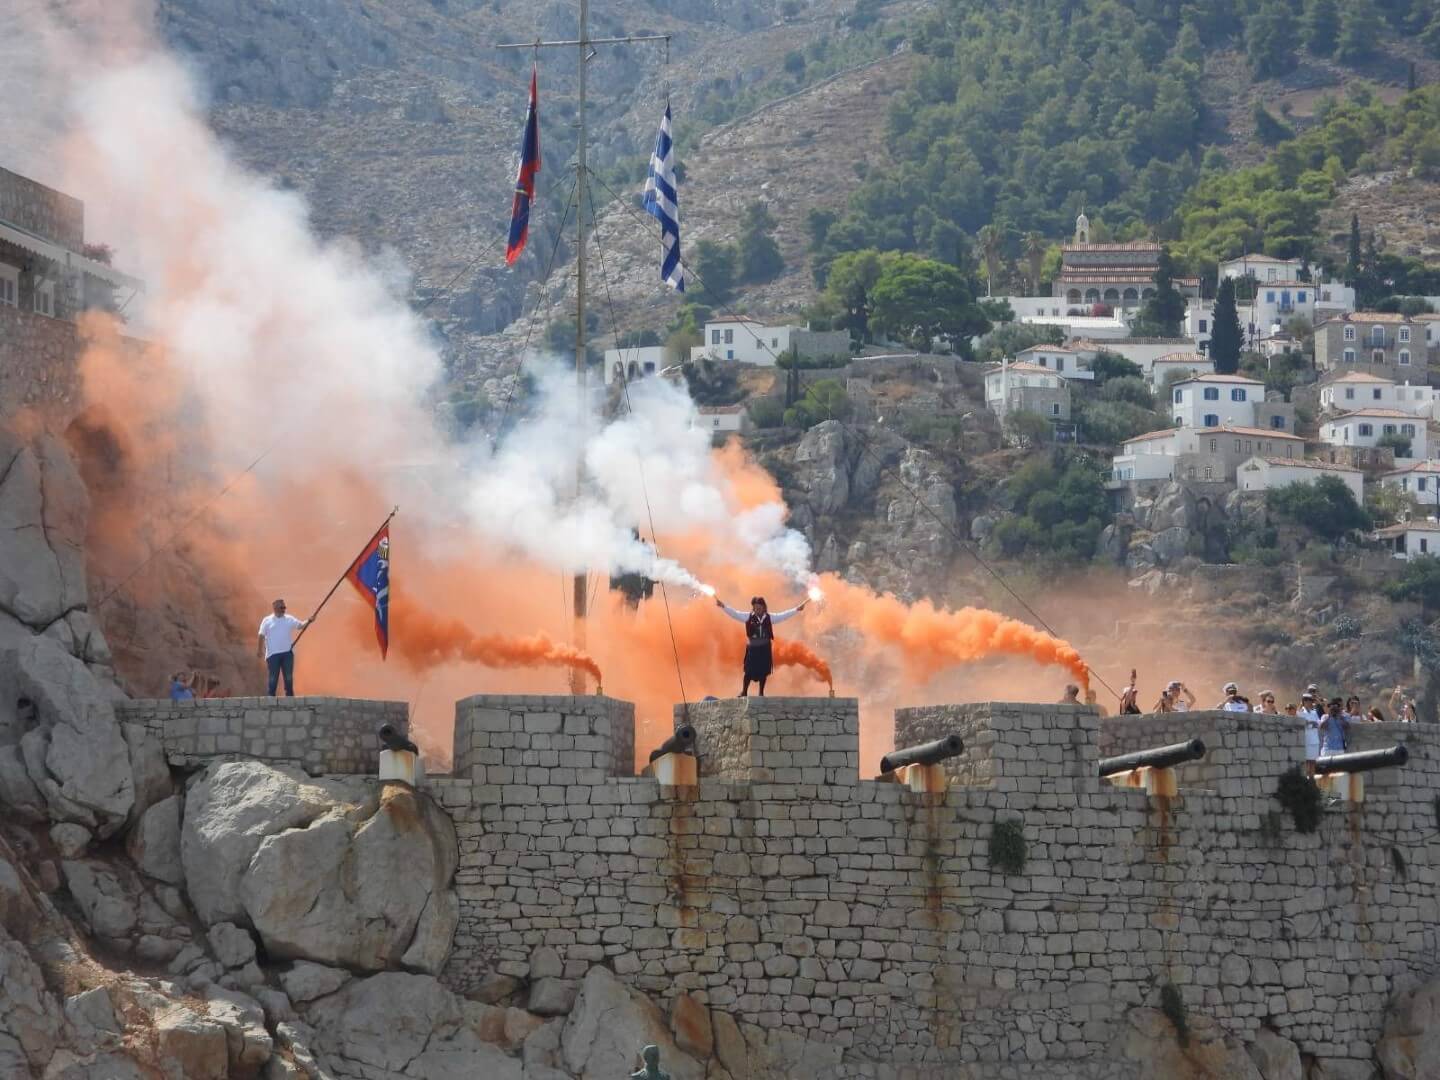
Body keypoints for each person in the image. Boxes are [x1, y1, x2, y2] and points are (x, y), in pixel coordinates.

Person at [714, 594, 809, 697]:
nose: (757, 609)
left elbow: (783, 616)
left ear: (764, 607)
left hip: (764, 649)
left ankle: (761, 693)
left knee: (763, 672)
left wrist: (796, 609)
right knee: (748, 671)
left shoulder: (769, 617)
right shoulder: (748, 616)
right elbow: (735, 614)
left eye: (759, 607)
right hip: (752, 649)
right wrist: (723, 606)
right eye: (755, 607)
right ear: (753, 608)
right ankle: (744, 691)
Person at [257, 599, 312, 698]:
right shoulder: (267, 620)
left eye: (284, 607)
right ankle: (271, 697)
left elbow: (300, 626)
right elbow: (261, 635)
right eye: (282, 607)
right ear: (275, 608)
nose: (284, 609)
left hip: (287, 653)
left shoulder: (289, 619)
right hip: (272, 655)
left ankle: (290, 698)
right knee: (273, 678)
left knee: (288, 678)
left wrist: (309, 621)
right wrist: (259, 650)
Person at [1297, 693, 1322, 775]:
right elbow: (1302, 724)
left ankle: (1312, 780)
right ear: (1304, 701)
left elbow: (1319, 723)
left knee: (1313, 762)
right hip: (1306, 740)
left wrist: (1311, 723)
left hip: (1315, 740)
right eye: (1307, 700)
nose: (1310, 702)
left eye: (1311, 700)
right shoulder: (1300, 712)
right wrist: (1311, 724)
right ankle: (1306, 780)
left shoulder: (1314, 712)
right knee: (1307, 763)